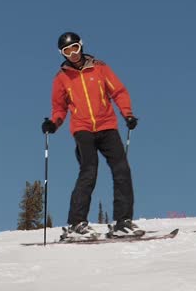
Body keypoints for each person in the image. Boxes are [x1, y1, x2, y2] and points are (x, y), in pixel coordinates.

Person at [41, 31, 142, 240]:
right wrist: (53, 124)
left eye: (75, 48)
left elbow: (118, 92)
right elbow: (59, 108)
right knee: (89, 171)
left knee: (122, 169)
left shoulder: (100, 68)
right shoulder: (61, 79)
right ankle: (76, 224)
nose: (73, 54)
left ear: (81, 46)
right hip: (82, 128)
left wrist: (128, 114)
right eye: (67, 51)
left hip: (107, 126)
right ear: (62, 54)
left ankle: (123, 222)